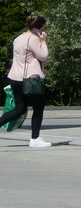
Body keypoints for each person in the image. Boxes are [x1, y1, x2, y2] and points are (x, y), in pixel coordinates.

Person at [0, 14, 50, 148]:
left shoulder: (18, 38)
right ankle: (35, 139)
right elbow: (43, 56)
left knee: (19, 108)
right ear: (39, 27)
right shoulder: (33, 39)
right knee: (38, 108)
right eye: (44, 26)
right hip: (30, 79)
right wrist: (43, 41)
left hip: (15, 77)